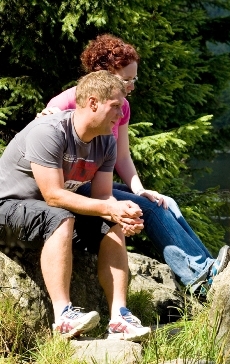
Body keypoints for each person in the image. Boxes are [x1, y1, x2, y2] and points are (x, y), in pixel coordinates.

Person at [40, 34, 230, 296]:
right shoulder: (65, 102)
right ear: (104, 74)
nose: (131, 86)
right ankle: (200, 279)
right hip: (71, 189)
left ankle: (207, 272)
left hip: (93, 182)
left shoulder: (122, 108)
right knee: (150, 210)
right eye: (126, 79)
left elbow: (122, 157)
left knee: (166, 203)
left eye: (134, 79)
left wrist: (139, 189)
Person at [0, 71, 150, 341]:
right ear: (93, 103)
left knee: (110, 222)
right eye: (115, 106)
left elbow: (103, 197)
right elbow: (53, 196)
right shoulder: (50, 132)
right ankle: (64, 316)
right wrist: (110, 208)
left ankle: (119, 318)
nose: (121, 114)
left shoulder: (106, 141)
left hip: (45, 214)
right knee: (59, 216)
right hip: (7, 209)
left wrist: (122, 214)